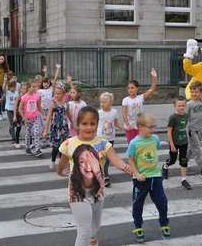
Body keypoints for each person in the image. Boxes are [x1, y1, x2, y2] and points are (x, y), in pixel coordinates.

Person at [57, 106, 132, 246]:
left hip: (98, 193)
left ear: (97, 125)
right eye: (84, 123)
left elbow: (115, 159)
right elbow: (62, 162)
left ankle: (93, 241)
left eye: (92, 123)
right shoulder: (69, 143)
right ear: (77, 125)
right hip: (77, 194)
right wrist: (60, 171)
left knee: (94, 227)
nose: (88, 127)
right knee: (84, 230)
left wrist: (126, 167)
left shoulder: (102, 143)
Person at [127, 113, 170, 243]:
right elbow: (131, 159)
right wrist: (136, 173)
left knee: (162, 202)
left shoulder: (155, 139)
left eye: (154, 127)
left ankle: (164, 224)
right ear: (140, 126)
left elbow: (155, 149)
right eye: (150, 127)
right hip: (141, 179)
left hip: (156, 177)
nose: (153, 130)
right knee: (138, 204)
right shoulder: (134, 143)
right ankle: (138, 227)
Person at [122, 68, 158, 144]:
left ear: (137, 88)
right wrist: (128, 125)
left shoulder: (141, 98)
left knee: (140, 143)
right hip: (130, 127)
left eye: (132, 88)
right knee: (132, 144)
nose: (130, 90)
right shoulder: (125, 100)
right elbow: (124, 114)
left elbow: (152, 89)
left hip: (140, 126)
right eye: (128, 88)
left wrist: (154, 77)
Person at [43, 83, 72, 169]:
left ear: (63, 94)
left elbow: (69, 114)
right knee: (56, 146)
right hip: (55, 128)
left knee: (63, 146)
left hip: (64, 128)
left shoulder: (66, 103)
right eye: (55, 93)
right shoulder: (53, 103)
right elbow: (48, 117)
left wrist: (74, 124)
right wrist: (45, 130)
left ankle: (61, 162)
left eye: (59, 93)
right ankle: (52, 161)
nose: (56, 95)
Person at [97, 92, 122, 187]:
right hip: (100, 139)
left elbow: (115, 122)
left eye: (104, 102)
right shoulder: (99, 113)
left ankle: (104, 174)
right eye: (101, 102)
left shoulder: (114, 112)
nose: (102, 104)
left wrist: (121, 127)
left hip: (111, 139)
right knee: (101, 157)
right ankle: (103, 175)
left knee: (107, 159)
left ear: (111, 102)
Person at [167, 96, 191, 190]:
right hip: (174, 143)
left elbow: (186, 126)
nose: (181, 107)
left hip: (184, 142)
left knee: (183, 160)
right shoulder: (172, 117)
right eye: (179, 105)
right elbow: (169, 132)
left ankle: (183, 179)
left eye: (183, 105)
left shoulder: (186, 115)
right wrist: (172, 145)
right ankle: (165, 166)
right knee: (172, 160)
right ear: (175, 106)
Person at [19, 80, 43, 157]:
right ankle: (27, 148)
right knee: (28, 133)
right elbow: (20, 109)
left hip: (35, 117)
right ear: (28, 88)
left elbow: (39, 107)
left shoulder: (37, 96)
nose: (35, 88)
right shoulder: (24, 97)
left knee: (36, 132)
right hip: (28, 119)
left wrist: (44, 115)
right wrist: (24, 118)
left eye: (36, 86)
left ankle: (37, 149)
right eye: (33, 87)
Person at [13, 82, 30, 148]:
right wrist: (14, 115)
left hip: (26, 115)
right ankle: (17, 142)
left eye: (25, 89)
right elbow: (15, 106)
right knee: (18, 128)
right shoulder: (19, 96)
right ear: (20, 89)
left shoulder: (28, 96)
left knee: (28, 128)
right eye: (23, 89)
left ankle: (29, 142)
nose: (24, 90)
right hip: (18, 114)